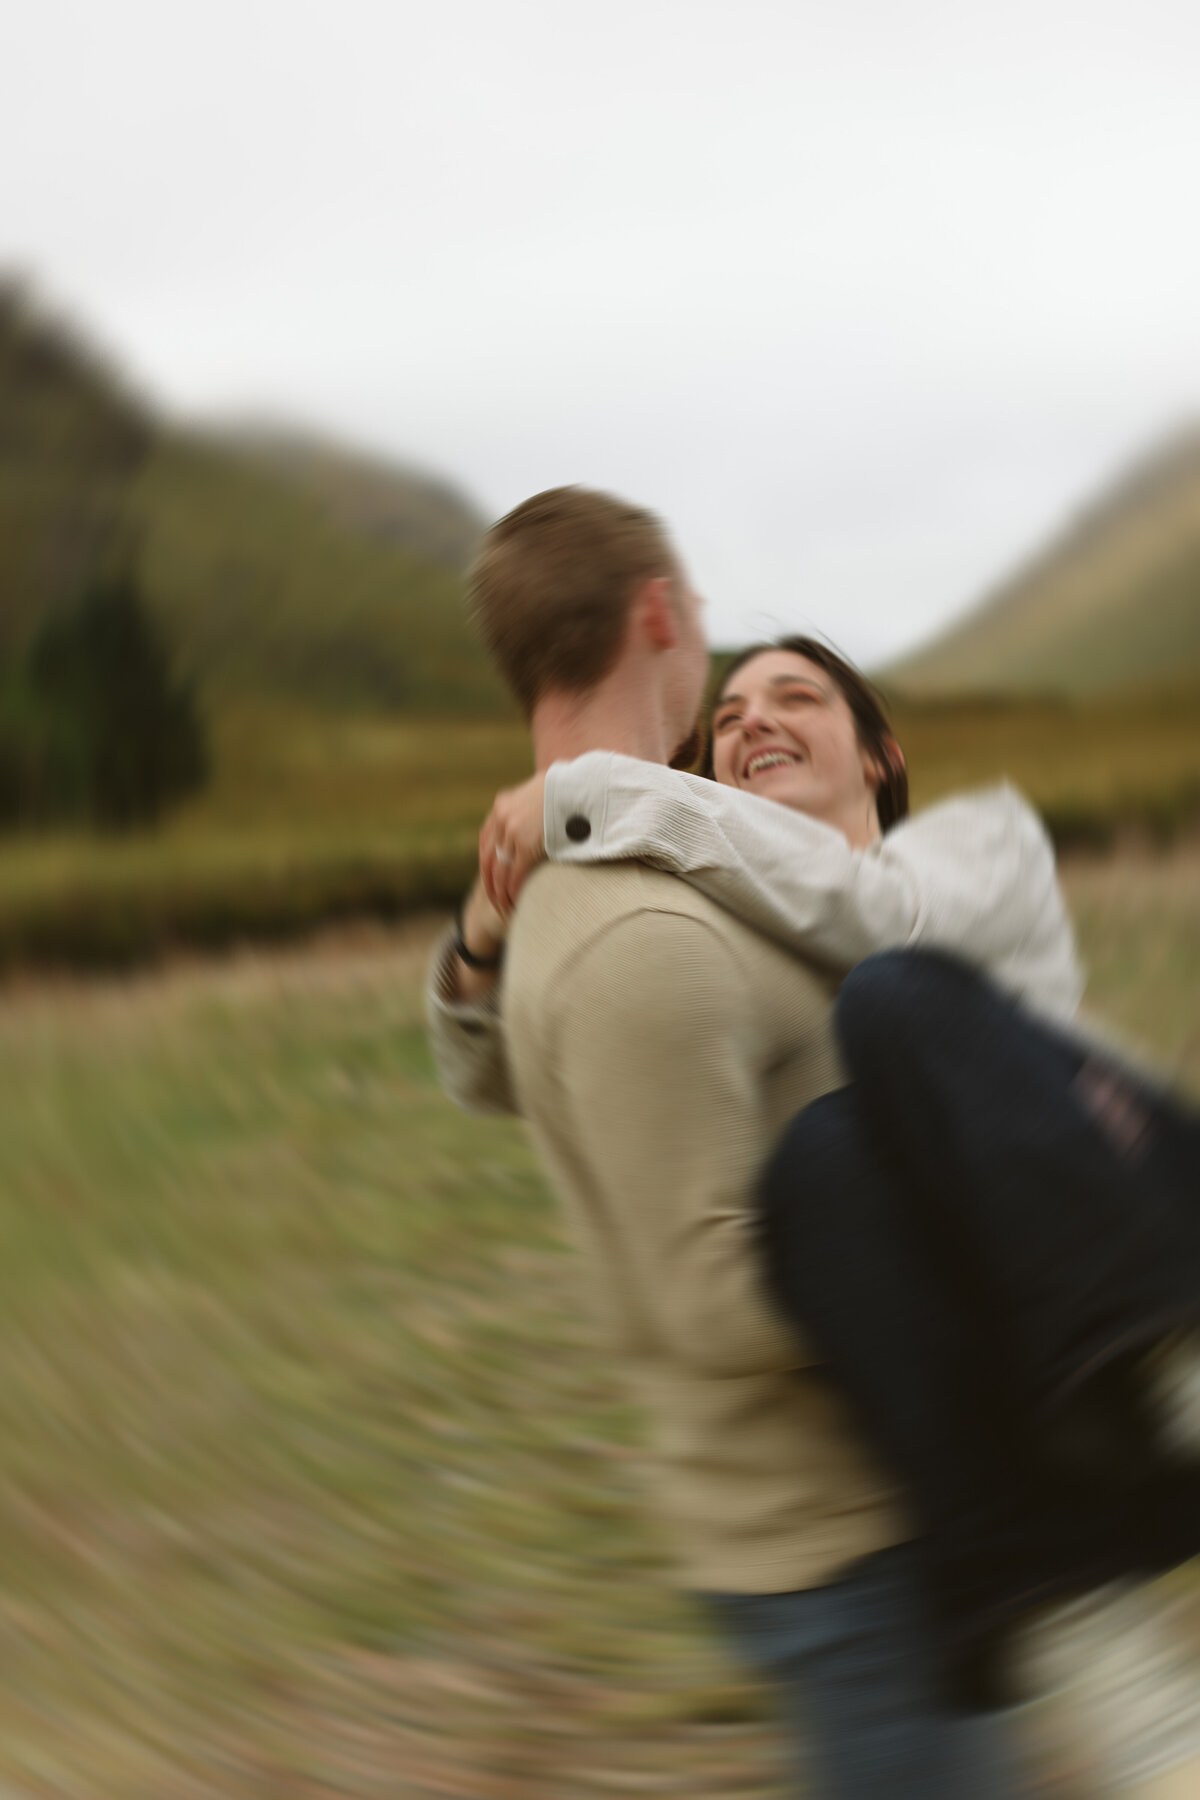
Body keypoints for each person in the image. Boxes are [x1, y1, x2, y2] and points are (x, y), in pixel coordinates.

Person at [431, 587, 1200, 1794]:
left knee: (895, 998)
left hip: (1140, 1211)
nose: (755, 719)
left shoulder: (970, 847)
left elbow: (877, 916)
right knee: (823, 1168)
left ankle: (1181, 1376)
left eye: (798, 696)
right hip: (990, 1374)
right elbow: (518, 1055)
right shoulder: (739, 932)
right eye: (729, 713)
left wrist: (585, 793)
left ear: (881, 754)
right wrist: (486, 928)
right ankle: (1088, 1632)